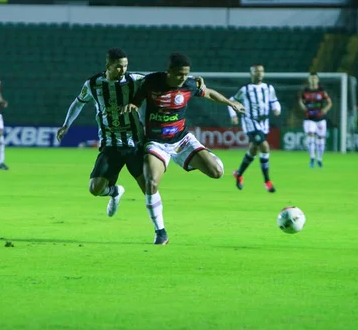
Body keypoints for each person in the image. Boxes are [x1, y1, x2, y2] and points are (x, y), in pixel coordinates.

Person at [122, 53, 245, 245]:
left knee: (217, 172)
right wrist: (132, 105)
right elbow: (137, 99)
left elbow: (209, 93)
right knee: (151, 182)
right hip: (156, 143)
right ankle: (160, 231)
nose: (183, 78)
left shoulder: (190, 84)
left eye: (186, 74)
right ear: (169, 71)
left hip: (182, 141)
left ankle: (197, 156)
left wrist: (231, 103)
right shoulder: (151, 82)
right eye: (179, 74)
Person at [56, 48, 146, 217]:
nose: (123, 70)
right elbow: (78, 103)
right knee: (95, 189)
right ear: (108, 66)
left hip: (135, 144)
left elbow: (162, 80)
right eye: (118, 66)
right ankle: (115, 192)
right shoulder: (93, 84)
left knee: (149, 189)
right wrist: (66, 125)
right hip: (110, 145)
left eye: (125, 66)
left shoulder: (136, 80)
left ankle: (160, 231)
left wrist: (191, 81)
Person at [228, 64, 281, 192]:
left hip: (264, 123)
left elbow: (274, 101)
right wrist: (234, 115)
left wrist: (277, 108)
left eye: (261, 71)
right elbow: (232, 100)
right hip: (250, 122)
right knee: (264, 146)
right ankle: (267, 180)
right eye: (256, 71)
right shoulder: (246, 89)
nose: (259, 74)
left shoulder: (268, 88)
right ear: (251, 73)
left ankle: (239, 173)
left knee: (253, 150)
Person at [299, 72, 332, 168]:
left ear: (317, 80)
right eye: (311, 78)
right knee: (310, 136)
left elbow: (329, 102)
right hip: (309, 119)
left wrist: (325, 109)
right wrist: (303, 106)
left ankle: (320, 159)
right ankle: (312, 157)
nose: (313, 80)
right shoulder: (305, 91)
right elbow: (300, 100)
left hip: (320, 118)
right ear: (309, 80)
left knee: (320, 139)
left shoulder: (322, 91)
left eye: (315, 78)